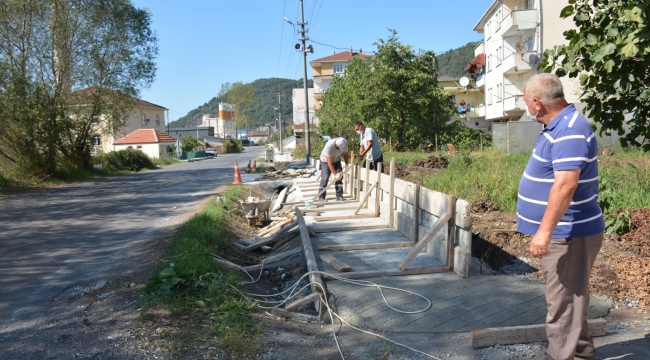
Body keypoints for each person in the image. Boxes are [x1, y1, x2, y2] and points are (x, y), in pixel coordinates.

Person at [517, 73, 604, 360]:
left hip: (569, 233)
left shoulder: (569, 131)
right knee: (571, 297)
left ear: (538, 103)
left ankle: (559, 356)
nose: (527, 107)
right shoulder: (556, 126)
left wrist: (544, 232)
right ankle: (580, 349)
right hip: (566, 232)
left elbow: (566, 184)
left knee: (562, 302)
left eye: (527, 101)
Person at [318, 137, 350, 202]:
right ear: (336, 145)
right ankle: (321, 197)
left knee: (340, 178)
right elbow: (329, 163)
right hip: (325, 161)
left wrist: (346, 164)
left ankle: (339, 196)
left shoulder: (344, 143)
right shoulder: (329, 146)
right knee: (325, 178)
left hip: (337, 160)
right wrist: (335, 174)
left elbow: (346, 154)